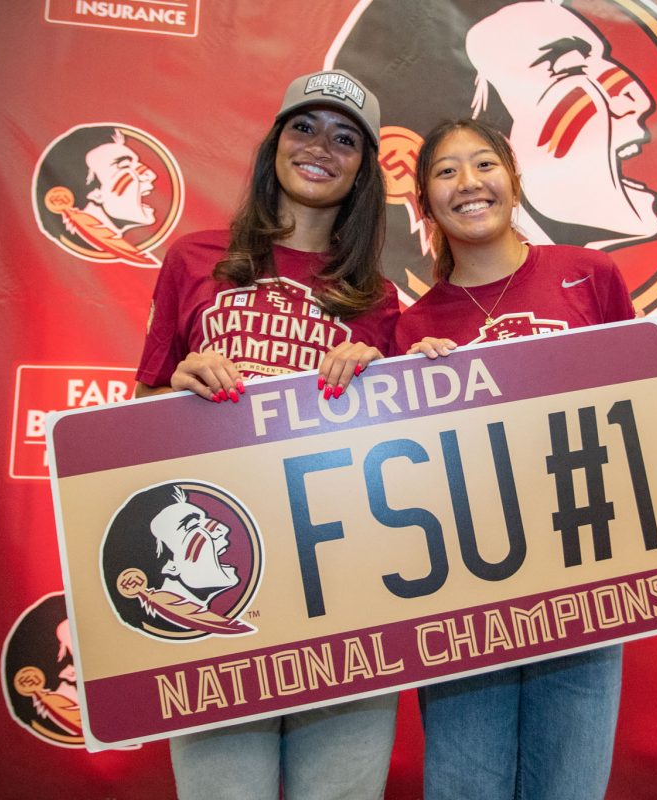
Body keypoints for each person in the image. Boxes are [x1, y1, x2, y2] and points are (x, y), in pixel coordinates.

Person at [395, 118, 657, 800]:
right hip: (466, 599)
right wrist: (402, 389)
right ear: (425, 204)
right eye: (445, 172)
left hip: (588, 577)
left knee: (570, 787)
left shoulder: (589, 274)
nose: (468, 183)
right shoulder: (412, 327)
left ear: (513, 179)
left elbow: (635, 416)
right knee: (465, 786)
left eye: (483, 165)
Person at [133, 69, 399, 800]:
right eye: (304, 127)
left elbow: (407, 452)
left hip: (345, 591)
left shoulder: (379, 299)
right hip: (217, 586)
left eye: (346, 139)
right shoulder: (195, 258)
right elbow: (140, 404)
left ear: (364, 171)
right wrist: (177, 388)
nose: (322, 148)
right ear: (275, 144)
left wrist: (379, 376)